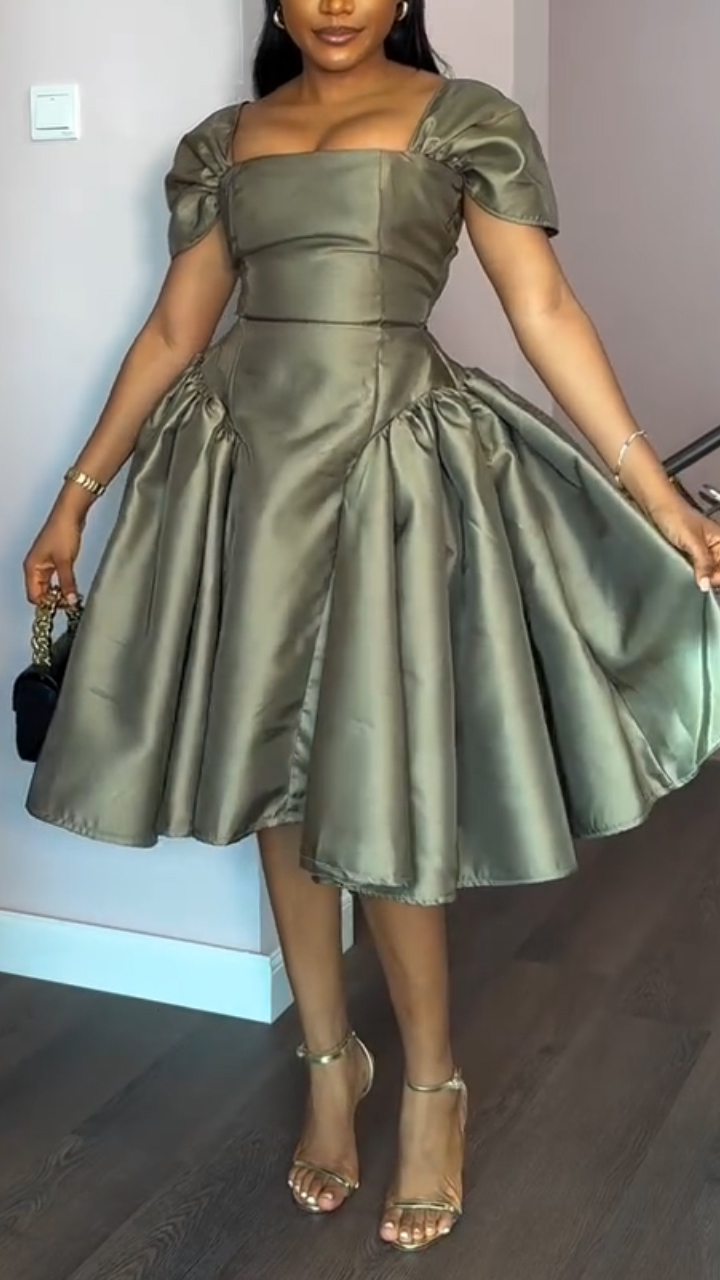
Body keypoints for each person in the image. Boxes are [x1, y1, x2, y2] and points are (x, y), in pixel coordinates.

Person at [21, 0, 720, 1254]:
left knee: (382, 784)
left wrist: (656, 491)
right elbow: (178, 330)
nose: (336, 3)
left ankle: (433, 1083)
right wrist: (76, 498)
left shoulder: (464, 121)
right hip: (243, 476)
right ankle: (330, 1059)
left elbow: (543, 309)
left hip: (389, 473)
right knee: (276, 781)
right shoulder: (227, 139)